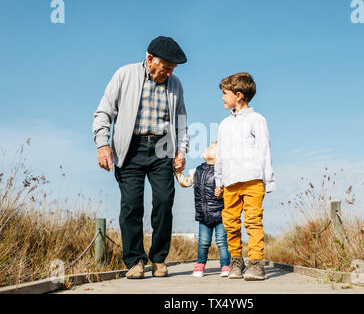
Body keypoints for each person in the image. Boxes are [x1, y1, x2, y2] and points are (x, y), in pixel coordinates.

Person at [92, 36, 189, 279]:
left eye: (172, 69)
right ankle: (135, 260)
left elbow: (181, 123)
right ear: (149, 59)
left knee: (165, 202)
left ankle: (158, 259)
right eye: (165, 68)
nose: (168, 73)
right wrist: (102, 144)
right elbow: (104, 112)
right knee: (132, 205)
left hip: (163, 147)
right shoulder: (124, 75)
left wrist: (181, 151)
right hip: (131, 147)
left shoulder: (175, 84)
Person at [214, 72, 275, 281]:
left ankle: (256, 263)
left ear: (238, 95)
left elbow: (265, 150)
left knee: (253, 221)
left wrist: (269, 180)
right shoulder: (224, 124)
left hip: (253, 180)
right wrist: (218, 180)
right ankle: (236, 261)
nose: (222, 98)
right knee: (230, 223)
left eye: (225, 93)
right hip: (230, 182)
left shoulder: (257, 120)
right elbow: (220, 155)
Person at [176, 141, 231, 277]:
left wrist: (223, 190)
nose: (207, 148)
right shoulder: (197, 171)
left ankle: (225, 265)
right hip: (203, 214)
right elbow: (186, 182)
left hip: (220, 214)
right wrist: (178, 172)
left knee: (222, 241)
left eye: (211, 148)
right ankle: (200, 265)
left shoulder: (224, 173)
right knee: (203, 242)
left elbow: (231, 189)